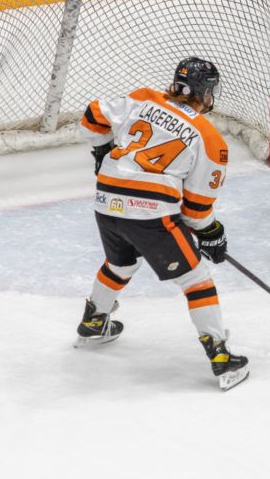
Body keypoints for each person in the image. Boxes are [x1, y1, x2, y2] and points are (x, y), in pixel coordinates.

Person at [75, 57, 249, 390]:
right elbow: (195, 213)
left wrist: (103, 149)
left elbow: (92, 117)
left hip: (106, 200)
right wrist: (213, 233)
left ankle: (94, 320)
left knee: (120, 262)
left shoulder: (144, 97)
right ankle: (221, 358)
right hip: (149, 211)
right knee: (197, 279)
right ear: (204, 93)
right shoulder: (210, 139)